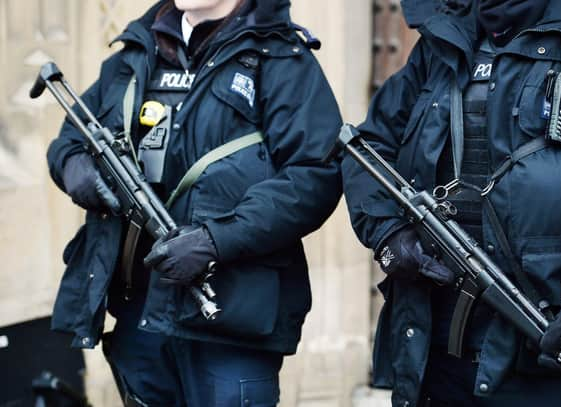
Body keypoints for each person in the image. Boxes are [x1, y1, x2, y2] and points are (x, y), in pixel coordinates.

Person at [341, 0, 561, 406]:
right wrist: (388, 233)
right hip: (433, 349)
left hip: (544, 348)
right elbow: (370, 146)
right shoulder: (447, 32)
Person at [46, 0, 342, 405]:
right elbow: (72, 136)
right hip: (141, 313)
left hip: (228, 315)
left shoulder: (282, 59)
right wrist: (74, 168)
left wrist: (215, 240)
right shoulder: (138, 50)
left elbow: (313, 175)